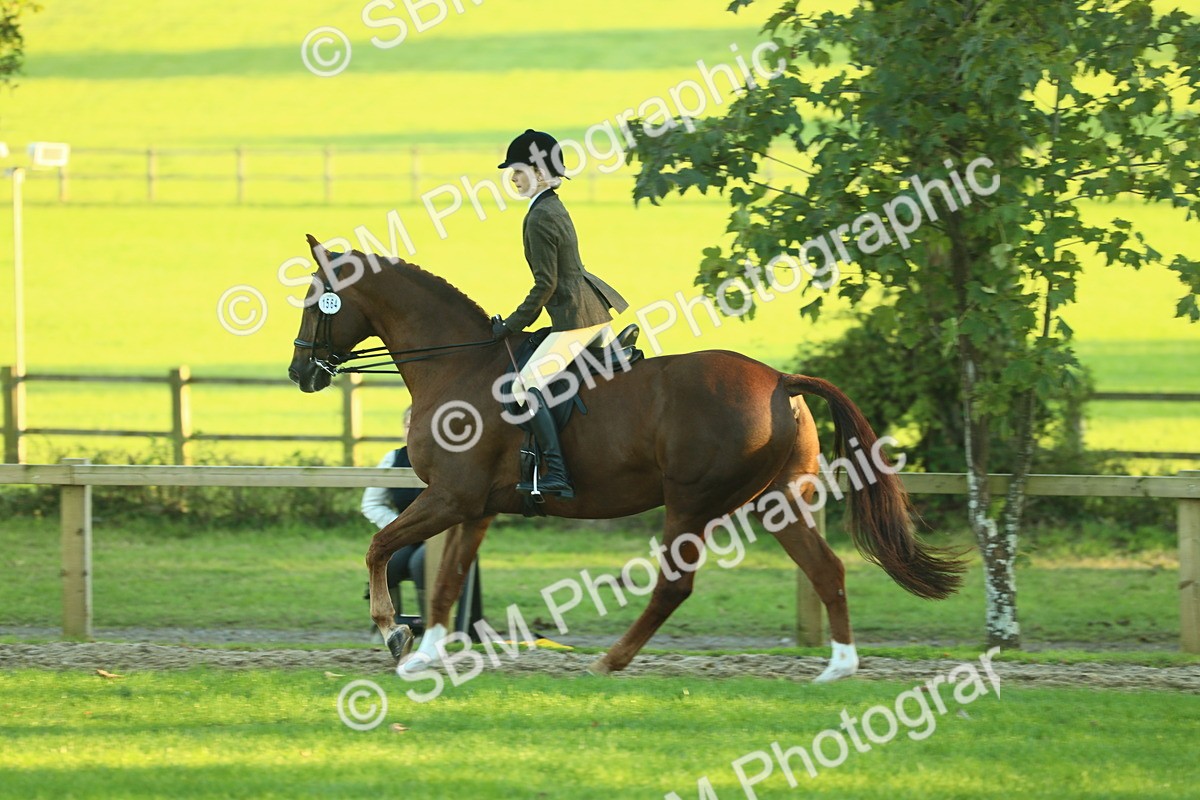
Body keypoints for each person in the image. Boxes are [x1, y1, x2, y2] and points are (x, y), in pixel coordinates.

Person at [491, 129, 629, 499]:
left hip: (575, 319)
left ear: (537, 171)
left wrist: (511, 324)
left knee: (525, 385)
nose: (513, 178)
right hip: (589, 308)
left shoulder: (540, 216)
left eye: (517, 171)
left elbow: (545, 286)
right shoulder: (550, 205)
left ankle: (557, 473)